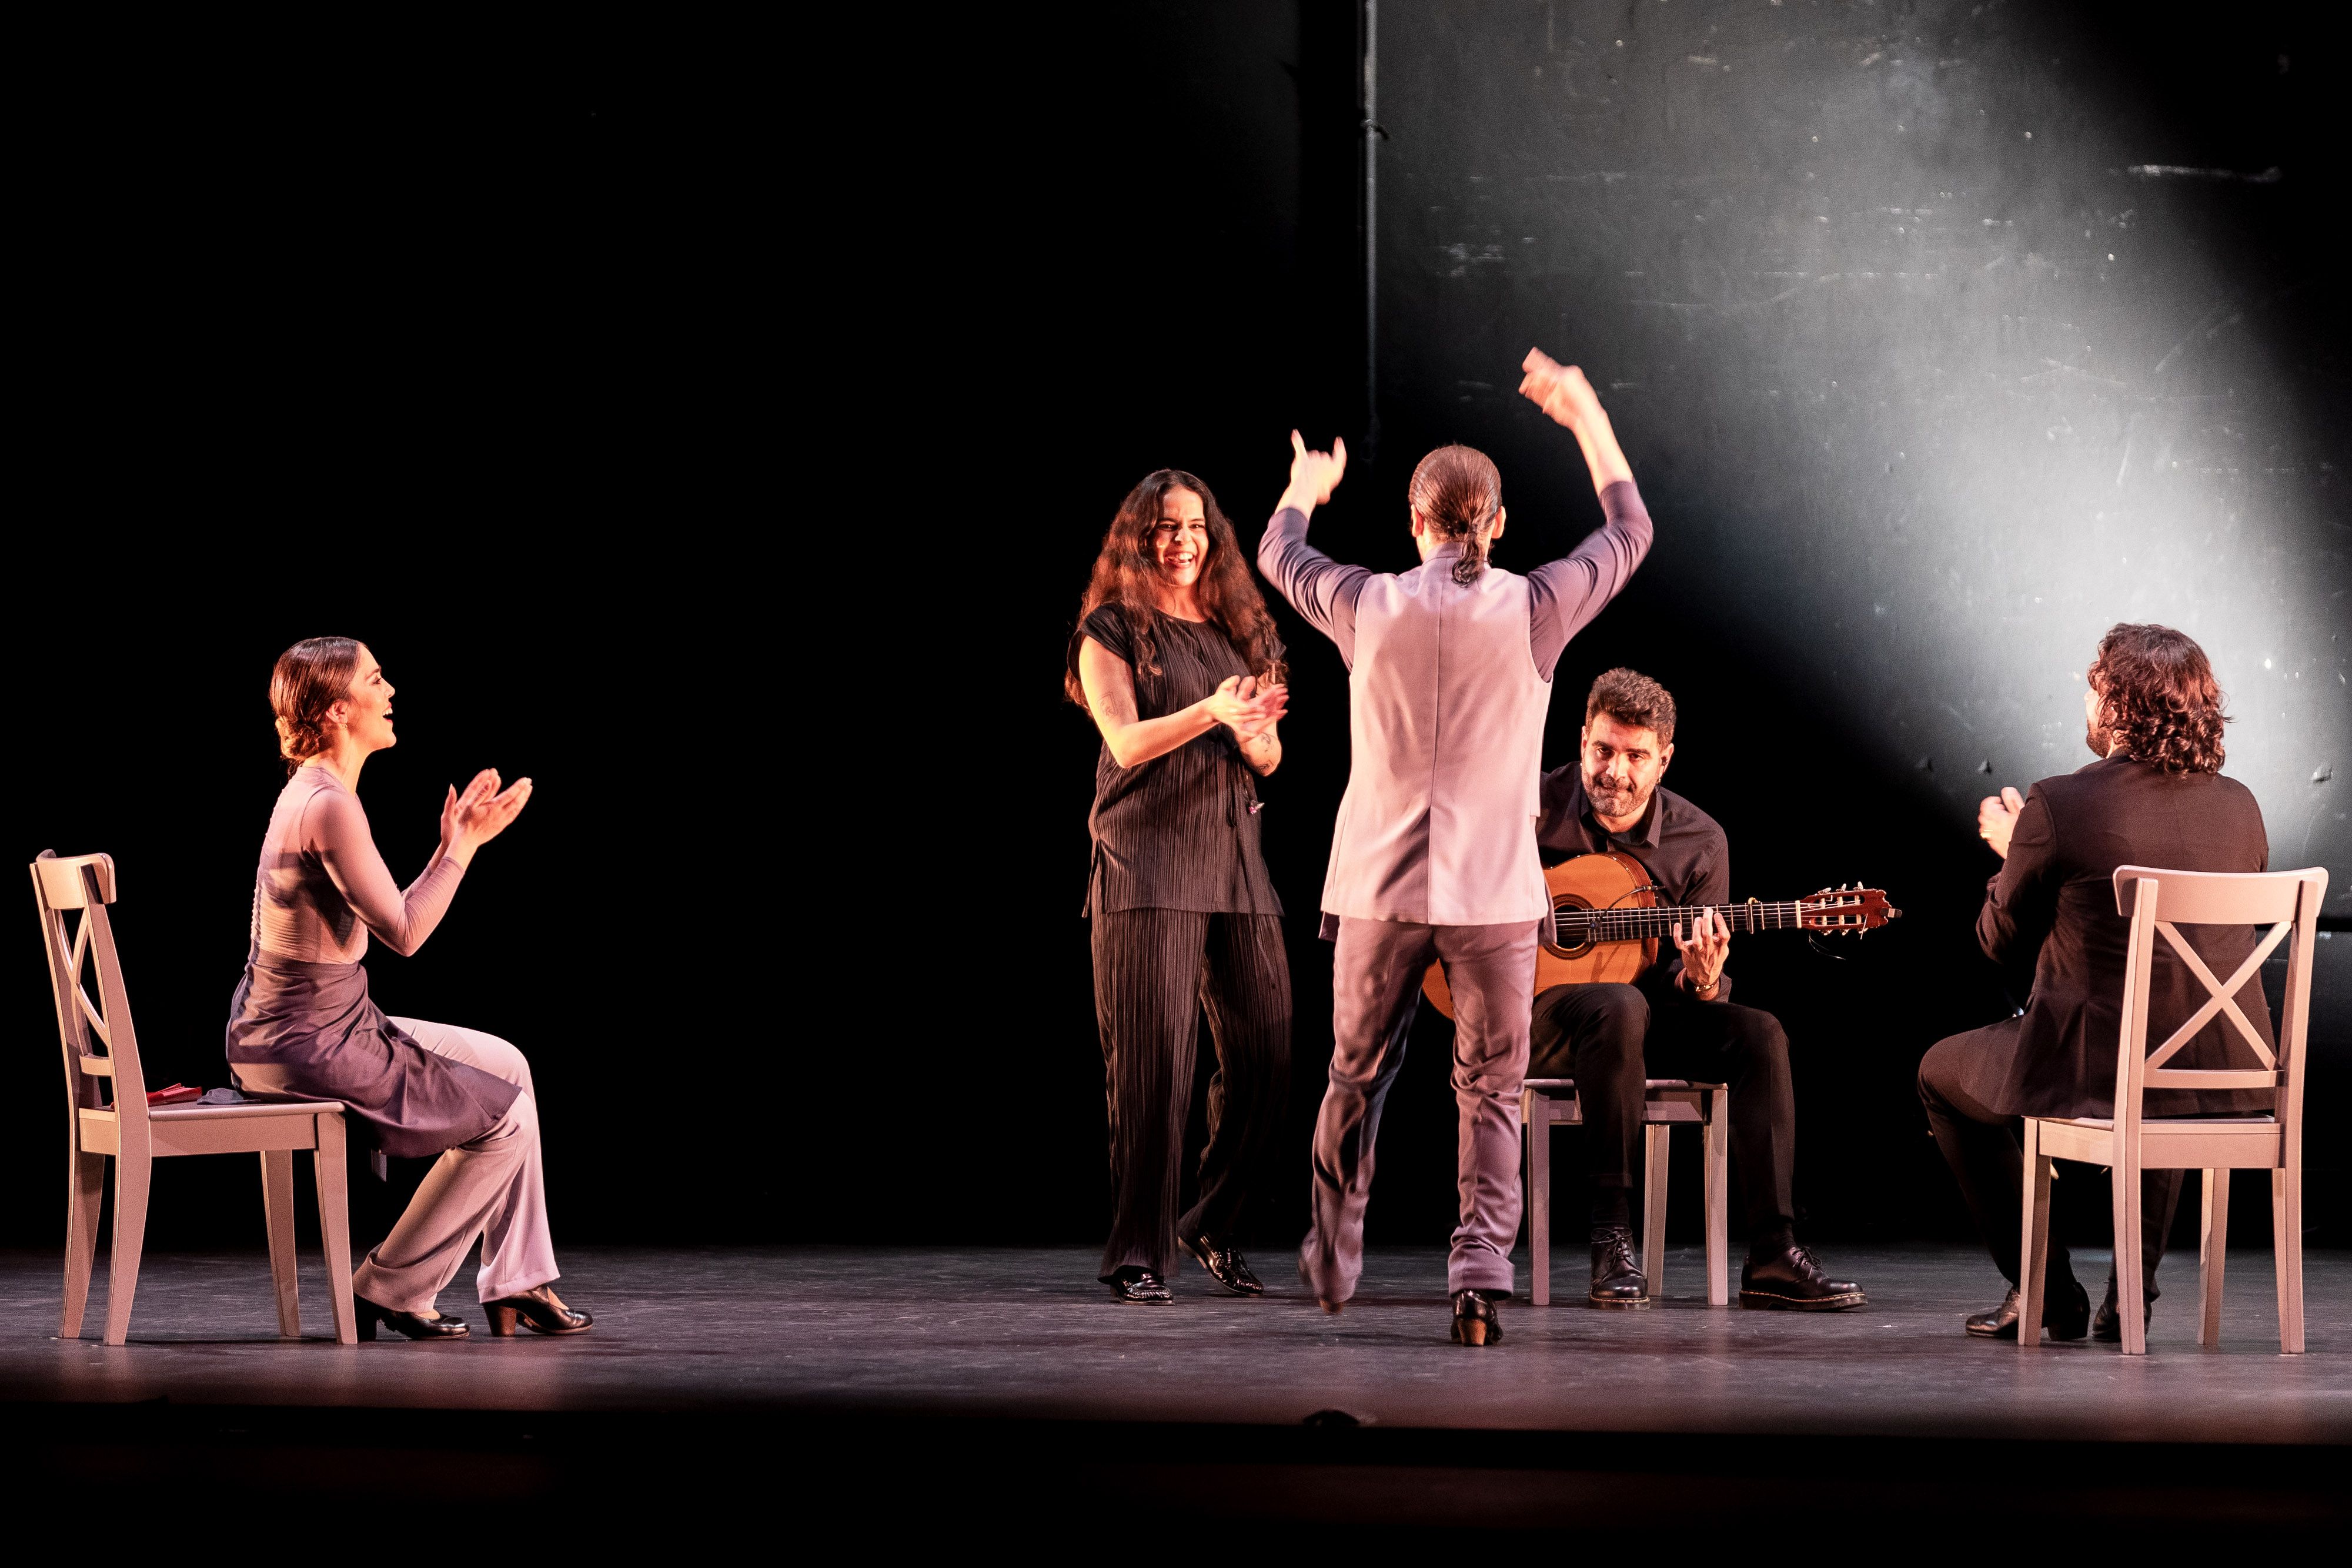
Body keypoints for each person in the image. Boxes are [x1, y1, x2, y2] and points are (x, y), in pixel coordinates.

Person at [1259, 349, 1652, 1346]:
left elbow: (1278, 553)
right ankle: (1478, 1281)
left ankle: (1333, 1253)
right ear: (1499, 522)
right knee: (1489, 1091)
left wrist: (1305, 489)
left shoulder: (1366, 602)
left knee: (1354, 1075)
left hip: (1379, 891)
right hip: (1492, 898)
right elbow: (1631, 530)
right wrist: (1584, 412)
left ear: (1415, 522)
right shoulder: (1536, 606)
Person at [1919, 623, 2275, 1342]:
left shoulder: (2059, 805)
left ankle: (2048, 1293)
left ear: (2115, 702)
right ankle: (2131, 1299)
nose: (2085, 700)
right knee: (2165, 1060)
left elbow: (1996, 943)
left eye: (2092, 687)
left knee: (1937, 1074)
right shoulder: (2241, 806)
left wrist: (2013, 850)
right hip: (2224, 1067)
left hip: (2093, 1064)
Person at [225, 637, 588, 1341]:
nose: (390, 691)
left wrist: (450, 845)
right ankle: (391, 1287)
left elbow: (391, 913)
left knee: (508, 1065)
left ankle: (518, 1279)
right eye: (375, 679)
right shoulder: (327, 805)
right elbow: (406, 935)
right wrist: (463, 849)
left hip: (311, 1024)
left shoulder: (321, 794)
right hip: (306, 1041)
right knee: (506, 1121)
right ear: (338, 710)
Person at [1528, 668, 1865, 1311]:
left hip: (1645, 1022)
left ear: (1664, 760)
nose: (1615, 773)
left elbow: (1695, 992)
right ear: (1581, 740)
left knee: (1759, 1032)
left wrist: (1702, 977)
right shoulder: (1528, 806)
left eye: (1636, 757)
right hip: (1536, 1017)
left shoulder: (1699, 840)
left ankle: (1772, 1251)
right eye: (1603, 750)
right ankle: (1611, 1237)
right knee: (1618, 1005)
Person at [1070, 469, 1293, 1303]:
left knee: (1267, 1054)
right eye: (1166, 526)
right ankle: (1138, 1251)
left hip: (1234, 858)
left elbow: (1269, 758)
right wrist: (1213, 711)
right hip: (1147, 859)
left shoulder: (1239, 631)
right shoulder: (1110, 628)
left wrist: (1254, 730)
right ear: (1139, 537)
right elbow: (1125, 742)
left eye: (1196, 526)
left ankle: (1212, 1221)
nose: (1183, 541)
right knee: (1153, 1069)